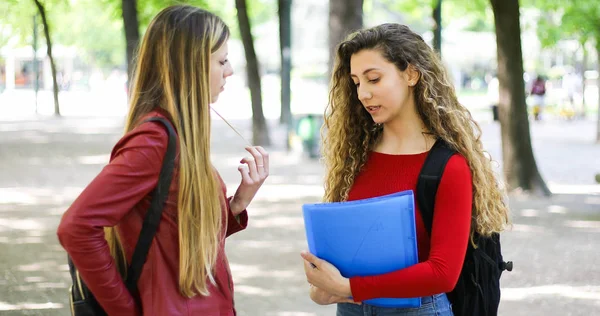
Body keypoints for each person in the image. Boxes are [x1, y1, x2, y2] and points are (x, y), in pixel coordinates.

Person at [57, 5, 269, 315]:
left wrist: (236, 205)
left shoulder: (179, 136)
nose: (230, 70)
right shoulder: (154, 142)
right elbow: (76, 227)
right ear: (190, 65)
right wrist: (125, 310)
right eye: (221, 61)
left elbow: (176, 237)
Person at [300, 23, 509, 315]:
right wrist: (322, 288)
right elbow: (349, 253)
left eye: (373, 79)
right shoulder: (353, 158)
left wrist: (350, 288)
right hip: (351, 309)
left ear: (411, 74)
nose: (363, 93)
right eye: (357, 82)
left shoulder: (450, 165)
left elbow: (442, 273)